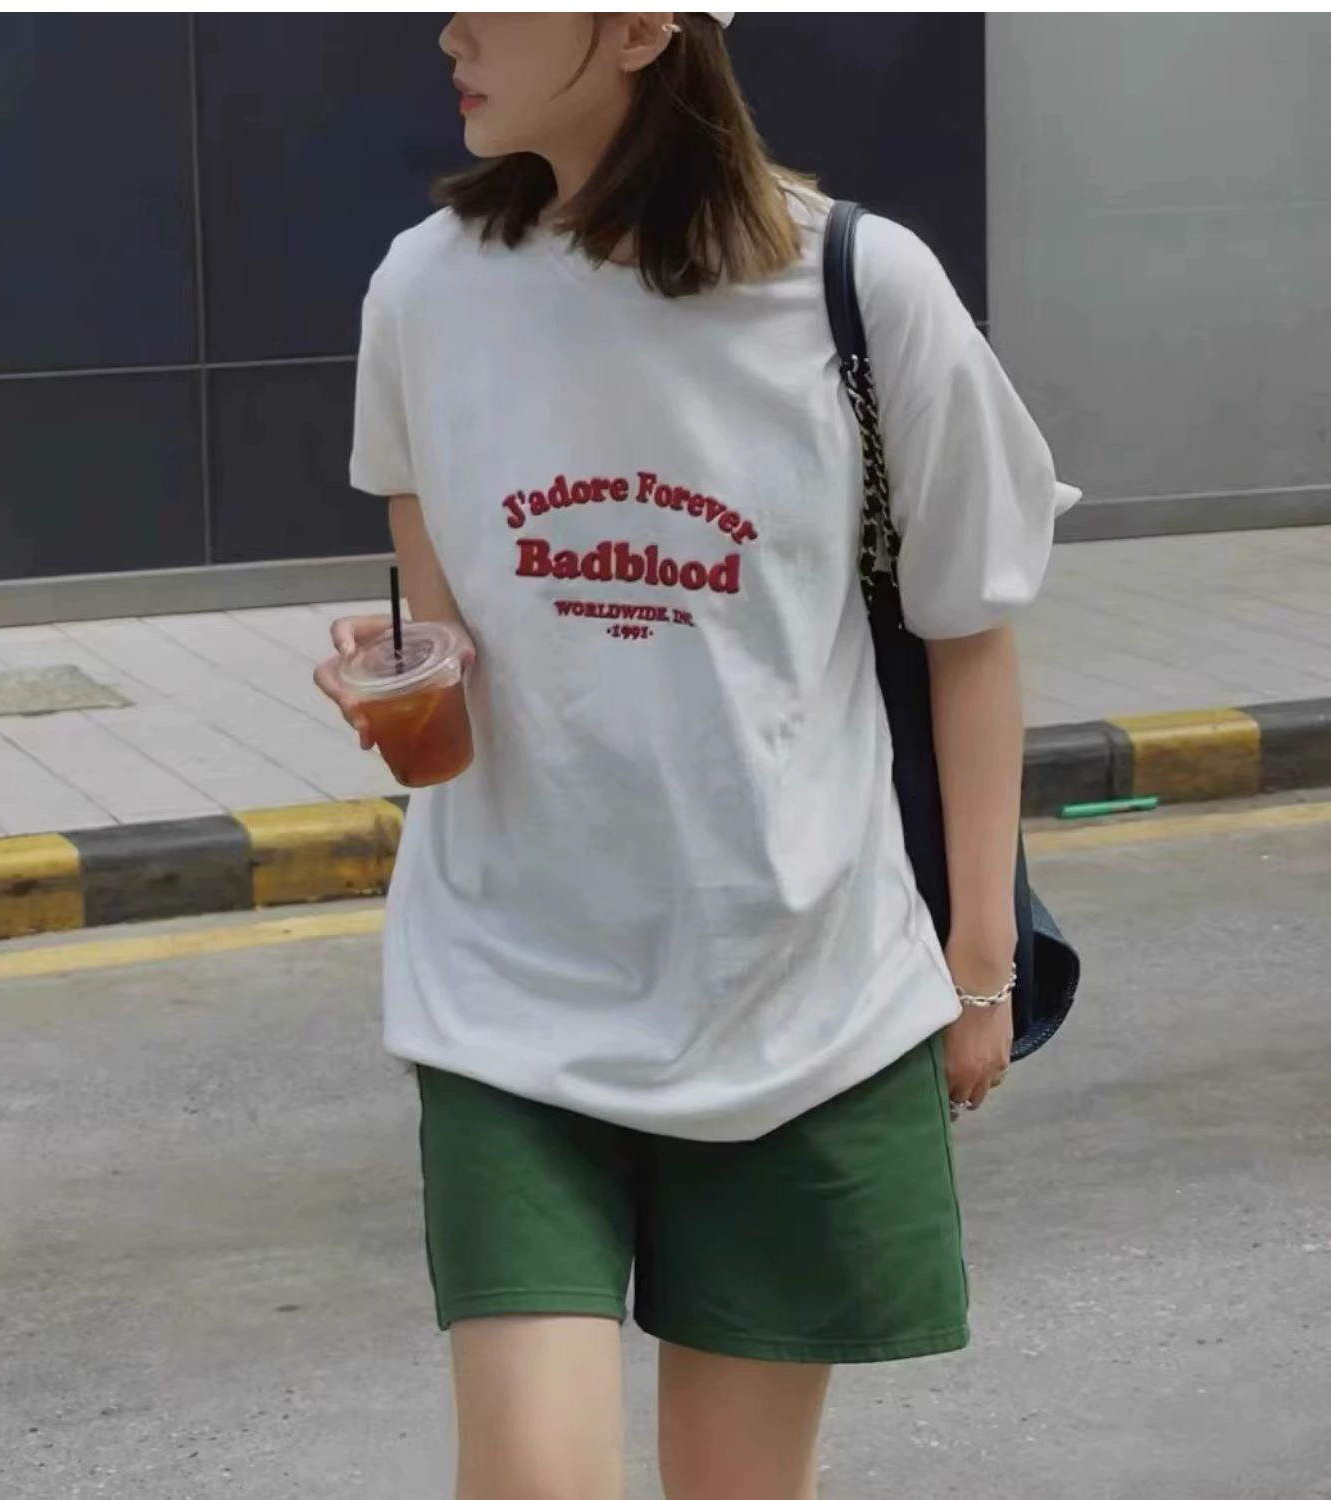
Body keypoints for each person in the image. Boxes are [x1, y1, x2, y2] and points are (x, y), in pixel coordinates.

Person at [314, 13, 1077, 1499]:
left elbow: (969, 633)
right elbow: (438, 593)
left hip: (799, 994)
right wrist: (409, 675)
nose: (448, 28)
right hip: (512, 988)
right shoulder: (425, 287)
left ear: (644, 26)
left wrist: (981, 965)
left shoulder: (861, 285)